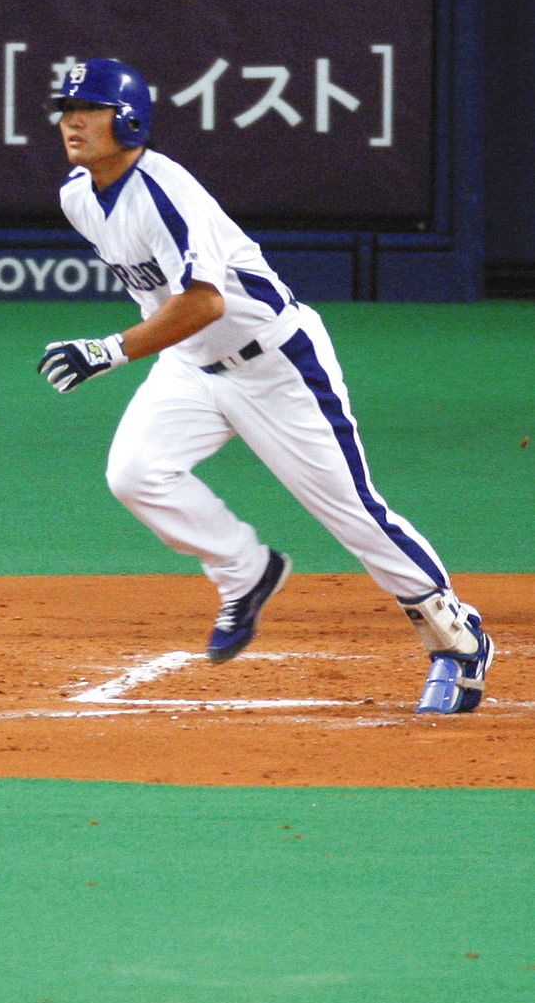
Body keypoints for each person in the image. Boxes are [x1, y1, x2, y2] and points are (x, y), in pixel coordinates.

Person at [37, 58, 492, 714]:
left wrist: (111, 350)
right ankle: (244, 571)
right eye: (66, 108)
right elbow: (169, 306)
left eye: (89, 108)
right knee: (136, 474)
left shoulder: (167, 195)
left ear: (128, 118)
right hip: (190, 367)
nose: (72, 121)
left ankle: (458, 640)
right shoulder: (77, 195)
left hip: (277, 367)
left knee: (354, 514)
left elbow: (205, 301)